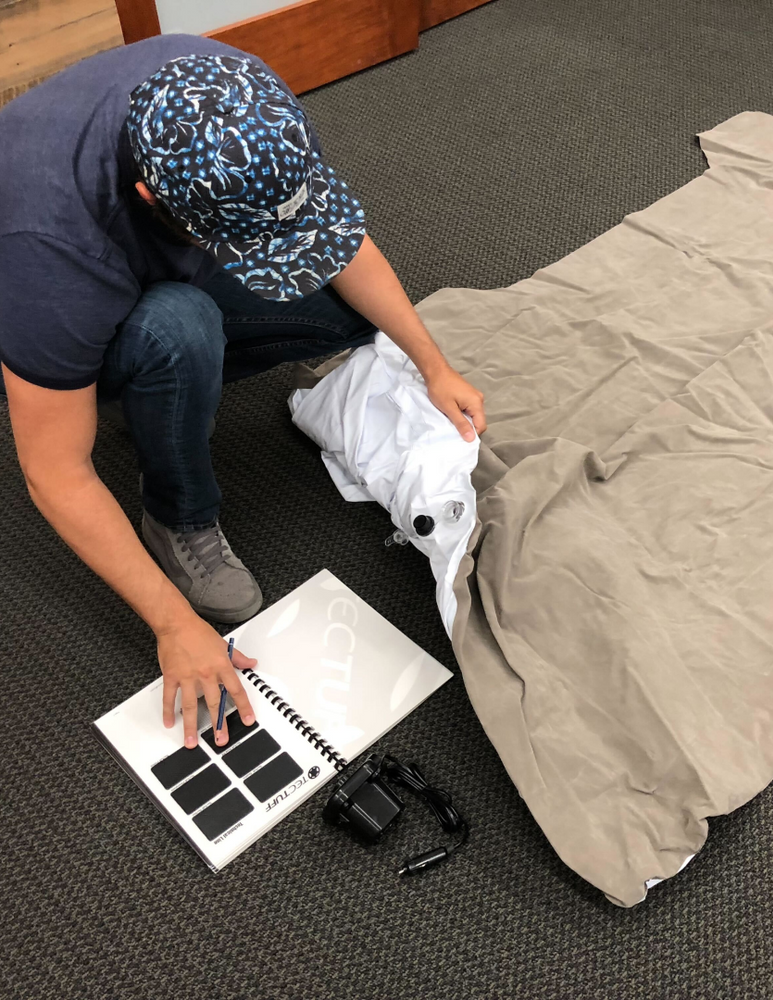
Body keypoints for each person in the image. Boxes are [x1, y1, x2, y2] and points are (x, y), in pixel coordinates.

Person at [0, 36, 486, 751]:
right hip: (67, 299)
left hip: (157, 244)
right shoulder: (49, 251)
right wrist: (174, 625)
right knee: (179, 328)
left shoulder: (239, 95)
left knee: (356, 315)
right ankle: (177, 515)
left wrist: (432, 364)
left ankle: (168, 390)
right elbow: (54, 472)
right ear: (151, 200)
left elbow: (336, 240)